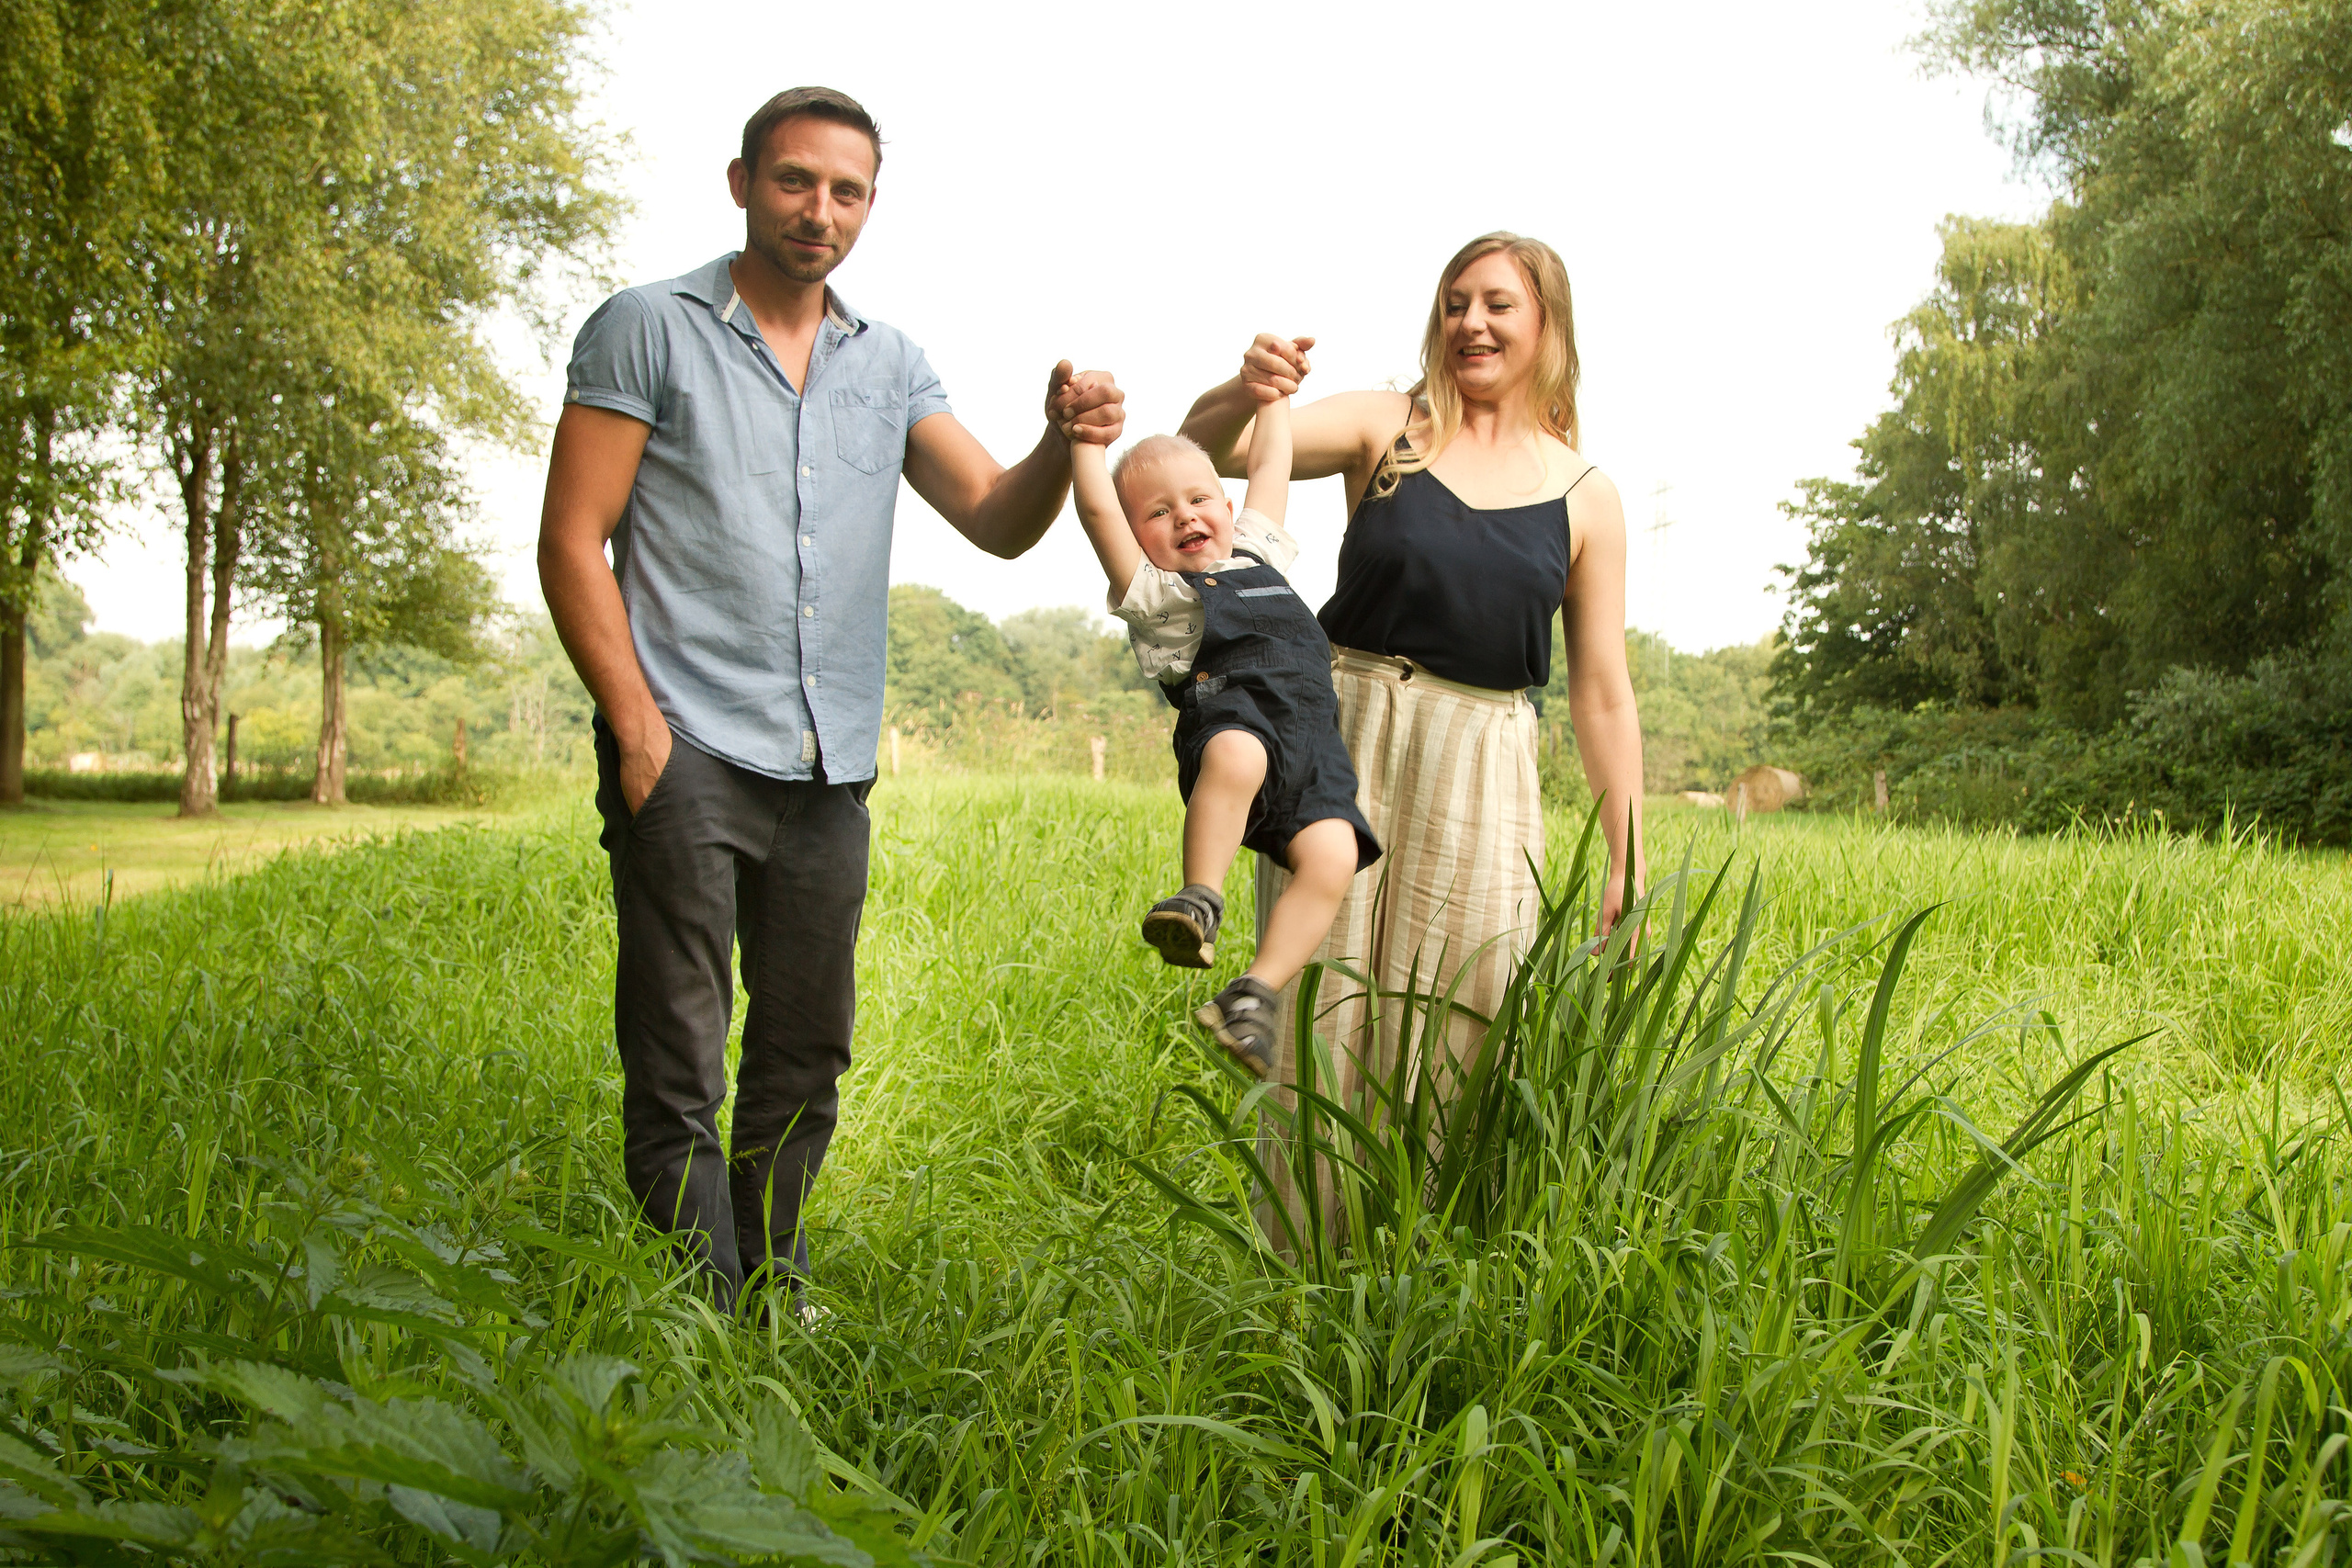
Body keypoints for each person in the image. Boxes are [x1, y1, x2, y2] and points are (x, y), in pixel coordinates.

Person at [537, 85, 1124, 1311]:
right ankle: (696, 1307)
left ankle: (771, 1280)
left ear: (870, 204)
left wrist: (1062, 442)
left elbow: (997, 521)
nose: (821, 210)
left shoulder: (890, 361)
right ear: (742, 181)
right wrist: (640, 732)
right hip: (685, 739)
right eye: (796, 180)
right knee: (682, 1047)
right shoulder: (646, 328)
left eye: (847, 189)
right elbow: (571, 539)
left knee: (806, 1045)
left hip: (827, 764)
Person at [1178, 232, 1645, 1214]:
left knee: (1466, 1004)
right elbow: (1215, 451)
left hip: (1484, 756)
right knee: (1321, 1011)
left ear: (1547, 326)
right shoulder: (1389, 426)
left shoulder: (1583, 494)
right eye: (1454, 302)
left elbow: (1602, 690)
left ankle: (1420, 1264)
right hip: (1342, 727)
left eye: (1497, 305)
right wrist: (1244, 384)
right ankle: (1299, 1274)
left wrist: (1624, 854)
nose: (1470, 323)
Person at [1068, 380, 1380, 1077]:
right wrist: (1085, 444)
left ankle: (1254, 995)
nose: (1185, 516)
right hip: (1233, 726)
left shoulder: (1258, 555)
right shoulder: (1160, 597)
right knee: (1238, 753)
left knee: (1334, 854)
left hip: (1314, 753)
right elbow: (1094, 510)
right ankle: (1199, 897)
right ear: (1135, 535)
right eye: (1157, 511)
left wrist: (1275, 395)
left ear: (1228, 507)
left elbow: (1272, 464)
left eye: (1200, 498)